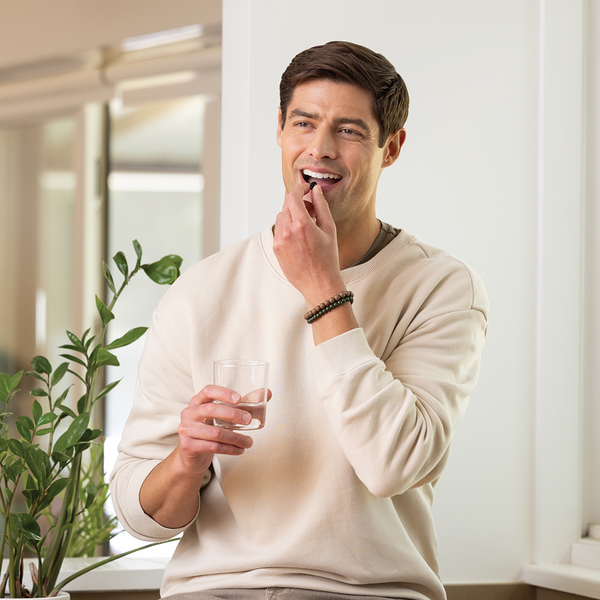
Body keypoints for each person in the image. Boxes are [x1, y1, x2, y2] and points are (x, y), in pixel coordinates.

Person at [110, 41, 489, 600]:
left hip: (371, 592)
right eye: (303, 123)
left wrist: (322, 286)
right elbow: (139, 515)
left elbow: (393, 464)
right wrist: (186, 461)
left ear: (393, 147)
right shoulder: (201, 291)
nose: (320, 148)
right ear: (281, 131)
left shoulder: (441, 287)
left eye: (350, 130)